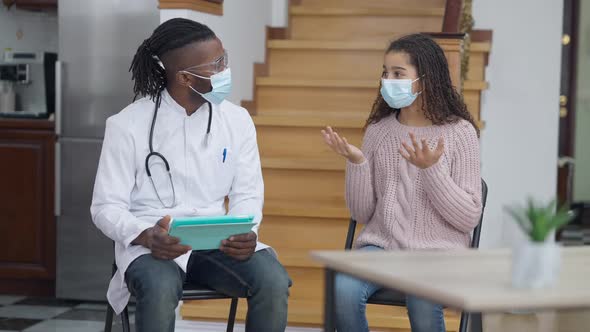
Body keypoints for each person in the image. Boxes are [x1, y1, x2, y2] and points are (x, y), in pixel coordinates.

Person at [90, 18, 290, 332]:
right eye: (217, 64)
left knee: (274, 280)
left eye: (224, 58)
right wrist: (146, 235)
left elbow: (247, 192)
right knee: (159, 287)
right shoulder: (126, 125)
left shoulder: (237, 121)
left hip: (216, 242)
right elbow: (105, 208)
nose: (226, 69)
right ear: (185, 77)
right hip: (152, 244)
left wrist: (245, 229)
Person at [321, 33, 482, 332]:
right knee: (342, 288)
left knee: (422, 297)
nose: (388, 81)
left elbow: (468, 217)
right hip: (383, 247)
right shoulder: (378, 132)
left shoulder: (460, 133)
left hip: (440, 253)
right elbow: (362, 214)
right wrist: (357, 163)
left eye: (398, 74)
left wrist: (432, 171)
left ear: (425, 79)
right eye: (385, 73)